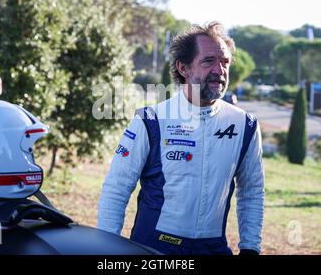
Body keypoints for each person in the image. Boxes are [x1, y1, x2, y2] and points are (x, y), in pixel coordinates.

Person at [98, 22, 264, 255]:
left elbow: (252, 191)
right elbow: (116, 188)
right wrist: (105, 248)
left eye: (225, 62)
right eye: (208, 61)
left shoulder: (245, 125)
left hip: (212, 248)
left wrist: (250, 248)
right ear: (183, 68)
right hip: (154, 246)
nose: (220, 70)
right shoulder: (150, 120)